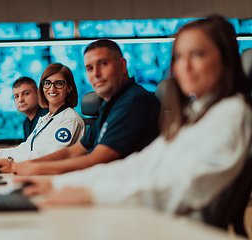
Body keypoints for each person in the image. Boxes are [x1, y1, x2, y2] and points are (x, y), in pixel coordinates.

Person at [14, 15, 252, 215]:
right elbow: (142, 164)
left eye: (197, 54)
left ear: (225, 59)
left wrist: (90, 193)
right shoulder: (196, 113)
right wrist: (60, 183)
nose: (185, 66)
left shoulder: (231, 113)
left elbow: (184, 186)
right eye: (179, 57)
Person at [7, 39, 161, 176]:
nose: (96, 73)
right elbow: (73, 152)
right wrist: (25, 165)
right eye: (90, 68)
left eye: (103, 64)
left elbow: (98, 159)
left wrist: (35, 169)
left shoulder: (134, 101)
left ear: (122, 65)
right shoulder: (111, 105)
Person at [0, 63, 85, 172]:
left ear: (69, 87)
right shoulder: (45, 118)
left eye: (59, 83)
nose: (52, 88)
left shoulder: (69, 119)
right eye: (47, 83)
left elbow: (49, 155)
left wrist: (9, 161)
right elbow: (26, 148)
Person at [0, 77, 48, 157]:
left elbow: (32, 153)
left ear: (38, 93)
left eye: (26, 94)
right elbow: (25, 149)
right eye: (16, 96)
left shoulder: (46, 117)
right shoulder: (27, 122)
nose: (20, 100)